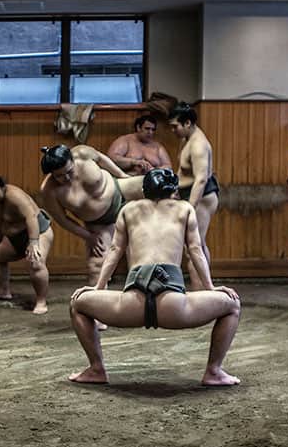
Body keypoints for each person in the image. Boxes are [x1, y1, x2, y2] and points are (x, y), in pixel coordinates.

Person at [68, 168, 241, 386]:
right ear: (174, 191)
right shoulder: (185, 209)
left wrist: (98, 287)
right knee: (232, 305)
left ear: (143, 190)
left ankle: (96, 369)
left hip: (131, 304)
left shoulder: (128, 210)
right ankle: (214, 371)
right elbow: (195, 250)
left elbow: (114, 251)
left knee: (77, 304)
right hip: (175, 307)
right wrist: (211, 288)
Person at [39, 144, 144, 286]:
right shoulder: (49, 191)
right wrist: (88, 236)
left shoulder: (82, 153)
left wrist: (122, 176)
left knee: (160, 186)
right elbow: (63, 220)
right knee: (96, 266)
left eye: (69, 171)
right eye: (60, 176)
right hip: (100, 222)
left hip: (121, 190)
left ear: (72, 160)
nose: (67, 177)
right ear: (51, 174)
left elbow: (101, 158)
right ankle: (99, 305)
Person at [0, 172, 54, 315]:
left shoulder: (15, 196)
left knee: (36, 262)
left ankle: (41, 302)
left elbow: (31, 218)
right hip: (16, 237)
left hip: (38, 232)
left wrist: (33, 242)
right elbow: (0, 219)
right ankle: (4, 292)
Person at [167, 103, 219, 287]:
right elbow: (182, 171)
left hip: (202, 197)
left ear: (187, 123)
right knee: (195, 245)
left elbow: (201, 179)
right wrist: (174, 191)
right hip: (188, 193)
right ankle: (202, 291)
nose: (173, 130)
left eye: (175, 126)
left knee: (194, 246)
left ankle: (200, 295)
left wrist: (190, 206)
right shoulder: (186, 139)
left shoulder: (199, 145)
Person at [106, 115, 173, 175]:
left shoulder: (158, 147)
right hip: (129, 180)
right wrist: (133, 162)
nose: (150, 132)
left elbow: (168, 166)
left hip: (152, 182)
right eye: (147, 129)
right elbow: (111, 159)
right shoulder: (125, 141)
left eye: (153, 130)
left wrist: (154, 170)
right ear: (138, 128)